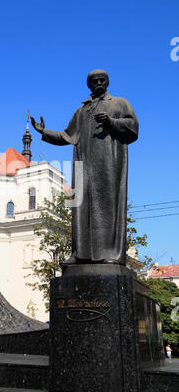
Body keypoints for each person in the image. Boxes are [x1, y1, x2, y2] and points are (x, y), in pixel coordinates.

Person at [31, 70, 139, 266]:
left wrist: (111, 122)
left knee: (108, 206)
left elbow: (133, 127)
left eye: (102, 80)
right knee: (80, 206)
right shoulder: (82, 112)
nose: (98, 83)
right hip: (83, 165)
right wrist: (43, 131)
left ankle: (113, 255)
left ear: (107, 82)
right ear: (89, 85)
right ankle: (79, 254)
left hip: (108, 164)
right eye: (94, 81)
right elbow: (66, 136)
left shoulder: (119, 103)